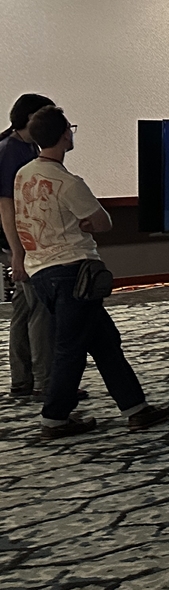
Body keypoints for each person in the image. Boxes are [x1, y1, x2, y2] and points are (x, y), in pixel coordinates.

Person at [15, 107, 169, 437]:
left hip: (41, 271)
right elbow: (103, 222)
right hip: (73, 273)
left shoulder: (23, 175)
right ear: (65, 135)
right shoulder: (68, 183)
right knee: (70, 348)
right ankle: (54, 419)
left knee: (105, 342)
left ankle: (136, 408)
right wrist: (85, 223)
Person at [1, 92, 54, 400]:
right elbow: (6, 207)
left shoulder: (27, 146)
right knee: (41, 309)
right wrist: (18, 254)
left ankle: (22, 381)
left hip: (26, 238)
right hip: (17, 241)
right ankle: (47, 384)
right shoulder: (10, 151)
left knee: (24, 308)